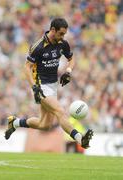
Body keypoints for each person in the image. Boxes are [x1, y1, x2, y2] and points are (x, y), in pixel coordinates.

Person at [5, 18, 93, 149]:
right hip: (40, 86)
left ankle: (15, 123)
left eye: (64, 34)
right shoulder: (38, 46)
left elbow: (71, 58)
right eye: (61, 33)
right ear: (53, 30)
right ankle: (80, 138)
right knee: (60, 111)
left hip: (53, 86)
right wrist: (34, 87)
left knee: (44, 125)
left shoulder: (62, 44)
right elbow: (26, 67)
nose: (63, 36)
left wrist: (68, 71)